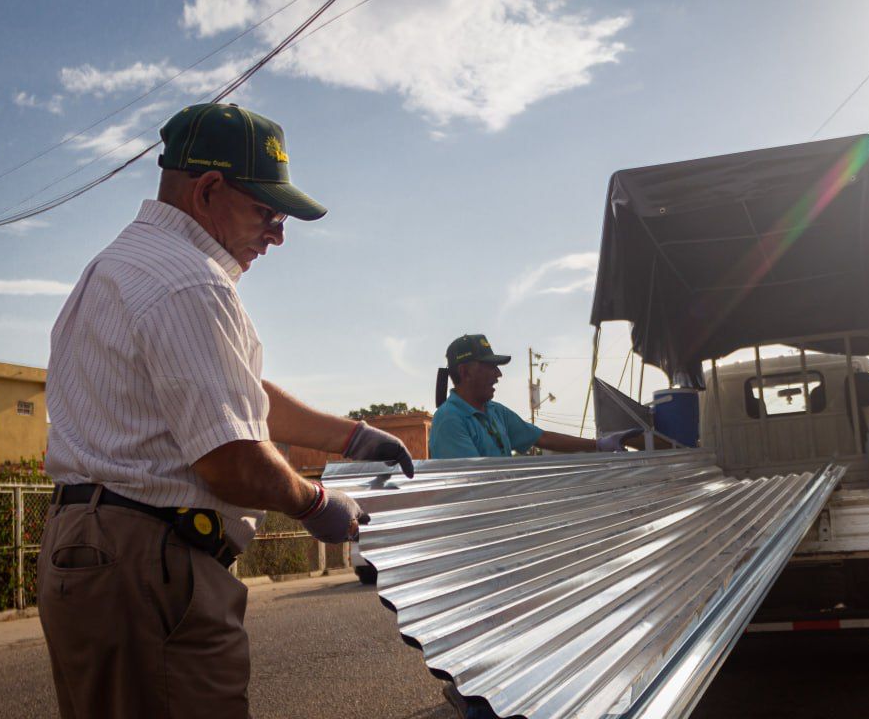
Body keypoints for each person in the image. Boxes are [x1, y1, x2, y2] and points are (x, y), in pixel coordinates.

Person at [38, 103, 414, 719]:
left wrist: (352, 436)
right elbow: (231, 458)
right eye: (268, 211)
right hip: (150, 563)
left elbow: (231, 394)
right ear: (208, 189)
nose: (277, 234)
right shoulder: (191, 282)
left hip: (92, 550)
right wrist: (317, 503)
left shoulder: (120, 265)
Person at [429, 334, 638, 458]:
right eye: (490, 367)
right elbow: (473, 486)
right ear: (465, 372)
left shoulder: (495, 412)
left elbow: (543, 438)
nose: (498, 374)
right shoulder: (449, 420)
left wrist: (599, 445)